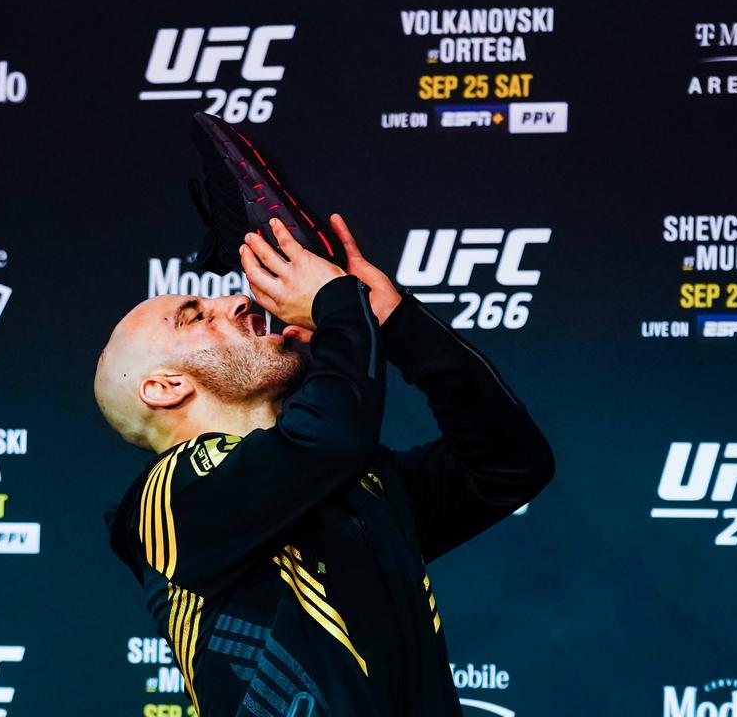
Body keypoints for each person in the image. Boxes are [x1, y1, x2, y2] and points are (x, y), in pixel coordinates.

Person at [96, 214, 554, 716]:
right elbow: (330, 440)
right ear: (165, 388)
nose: (238, 300)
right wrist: (338, 306)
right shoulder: (169, 500)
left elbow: (510, 464)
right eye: (195, 315)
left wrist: (398, 324)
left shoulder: (350, 490)